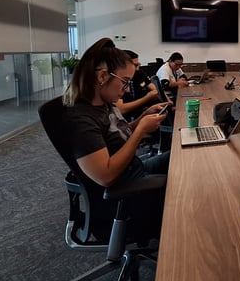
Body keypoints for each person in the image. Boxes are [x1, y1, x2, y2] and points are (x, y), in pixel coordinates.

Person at [64, 38, 172, 188]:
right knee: (185, 177)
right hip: (128, 187)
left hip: (136, 169)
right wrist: (141, 131)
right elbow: (106, 176)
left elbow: (118, 133)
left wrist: (142, 118)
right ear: (102, 76)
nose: (127, 89)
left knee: (184, 156)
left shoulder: (105, 103)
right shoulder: (82, 120)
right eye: (125, 81)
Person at [117, 50, 165, 121]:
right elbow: (121, 110)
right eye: (135, 65)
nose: (137, 68)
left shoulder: (138, 74)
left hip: (144, 111)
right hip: (132, 118)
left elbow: (153, 88)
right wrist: (146, 98)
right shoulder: (118, 81)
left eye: (138, 64)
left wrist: (153, 94)